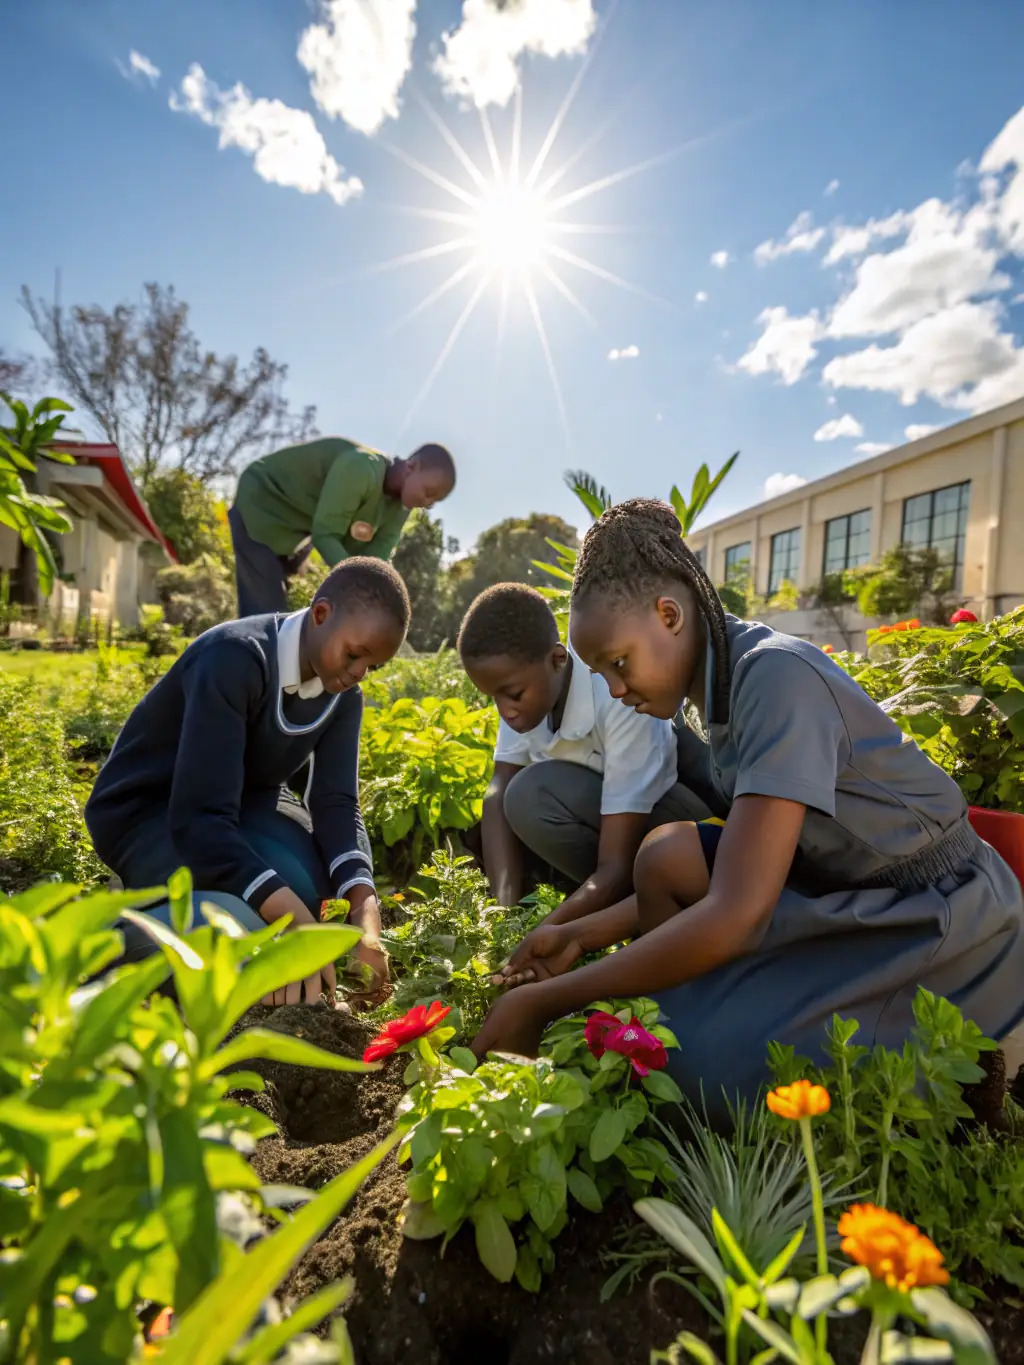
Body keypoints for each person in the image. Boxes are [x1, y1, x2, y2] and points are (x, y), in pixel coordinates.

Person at [472, 500, 1024, 1124]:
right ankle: (713, 1001)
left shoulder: (775, 677)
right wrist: (579, 933)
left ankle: (984, 1063)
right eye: (601, 674)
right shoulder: (725, 680)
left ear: (669, 615)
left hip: (935, 914)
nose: (615, 691)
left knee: (692, 1066)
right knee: (665, 857)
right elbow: (739, 873)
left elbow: (737, 912)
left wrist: (548, 1002)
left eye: (618, 664)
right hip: (835, 885)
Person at [85, 557, 410, 1006]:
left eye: (372, 666)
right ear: (320, 614)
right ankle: (106, 948)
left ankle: (219, 924)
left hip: (239, 804)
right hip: (152, 813)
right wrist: (294, 927)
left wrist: (365, 912)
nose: (358, 673)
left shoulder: (342, 697)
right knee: (255, 923)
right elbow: (199, 820)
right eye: (354, 654)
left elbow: (335, 801)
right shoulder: (235, 657)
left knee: (312, 897)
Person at [457, 583, 712, 937]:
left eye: (513, 695)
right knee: (518, 797)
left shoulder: (615, 693)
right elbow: (497, 792)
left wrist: (546, 935)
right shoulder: (523, 694)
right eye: (493, 698)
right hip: (615, 836)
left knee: (532, 793)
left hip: (685, 832)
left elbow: (615, 864)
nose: (506, 712)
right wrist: (502, 916)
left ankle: (645, 913)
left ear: (557, 659)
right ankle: (612, 911)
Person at [229, 436, 455, 616]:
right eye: (428, 492)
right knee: (265, 612)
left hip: (296, 529)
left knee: (281, 608)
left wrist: (380, 601)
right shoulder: (361, 468)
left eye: (434, 502)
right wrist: (360, 588)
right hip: (262, 501)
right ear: (411, 467)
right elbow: (326, 535)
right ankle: (241, 666)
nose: (427, 503)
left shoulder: (398, 511)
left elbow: (374, 564)